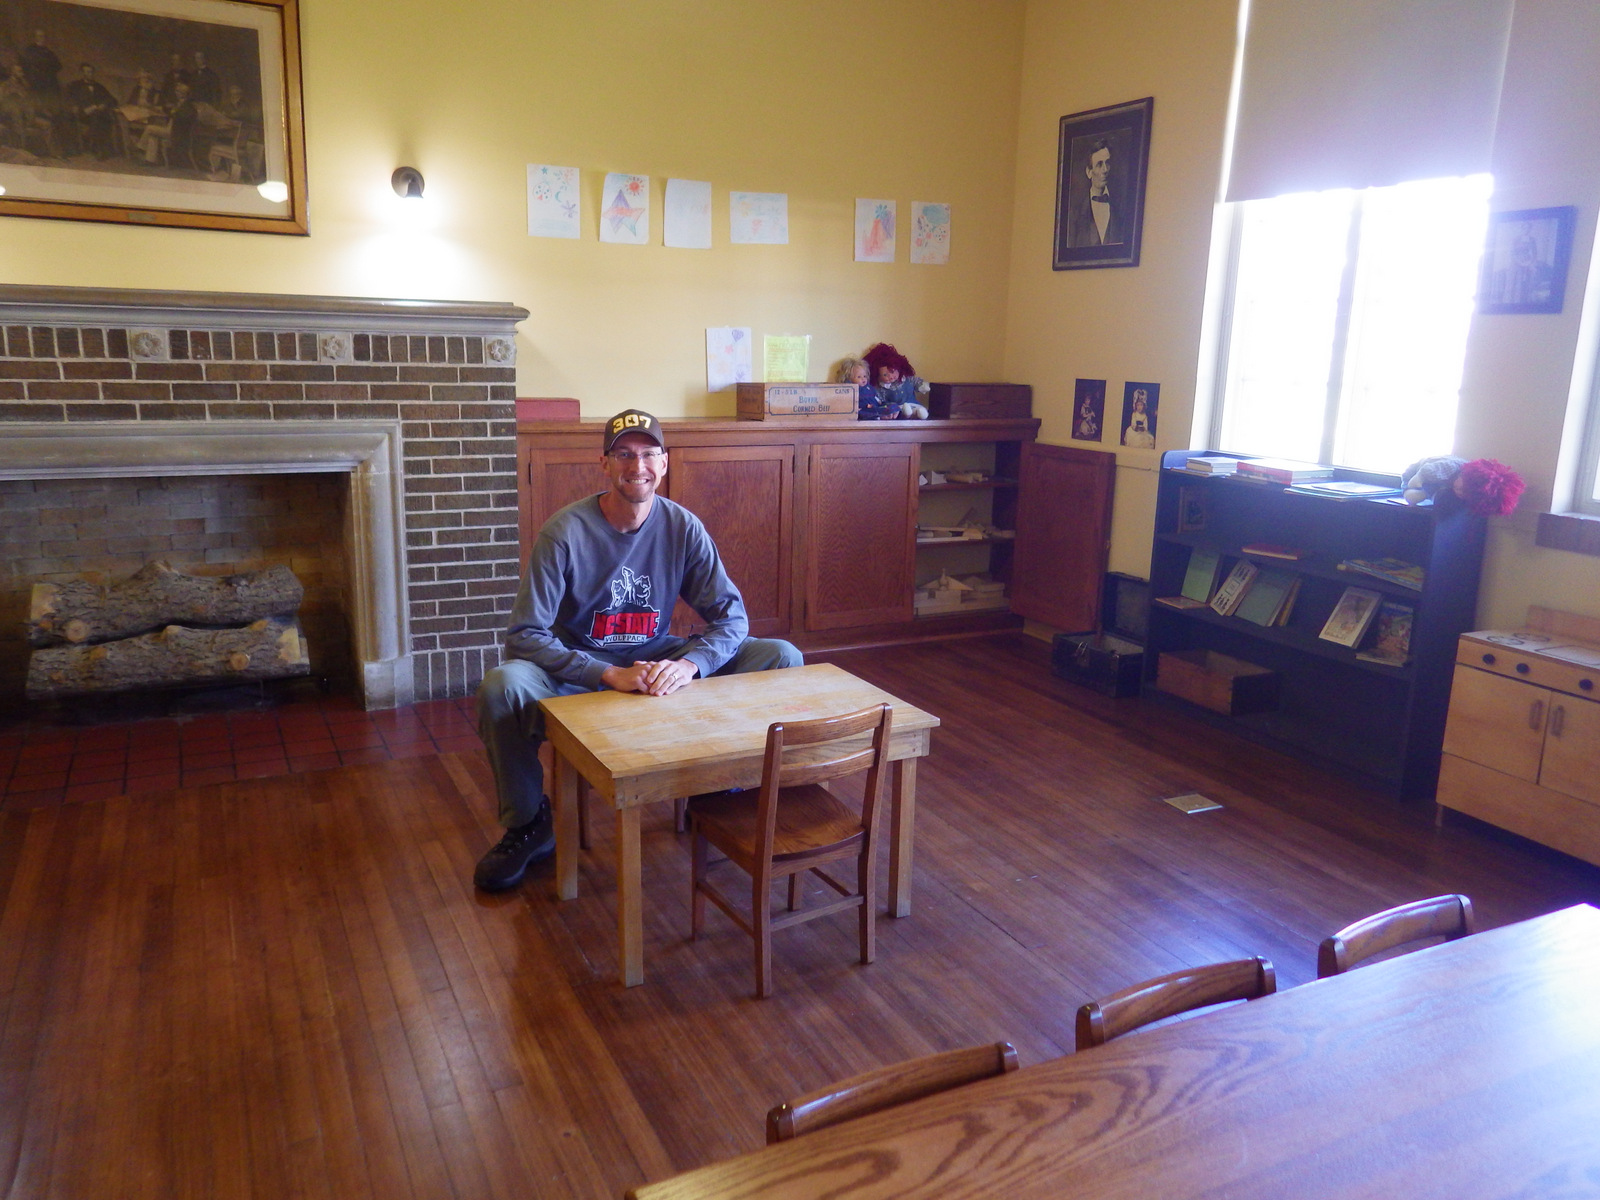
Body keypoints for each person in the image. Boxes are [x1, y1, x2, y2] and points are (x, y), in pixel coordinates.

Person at [473, 409, 804, 891]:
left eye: (649, 454)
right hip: (580, 664)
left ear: (664, 463)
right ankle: (528, 824)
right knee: (502, 686)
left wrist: (689, 664)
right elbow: (525, 635)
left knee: (781, 656)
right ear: (604, 464)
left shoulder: (682, 527)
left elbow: (732, 618)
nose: (638, 465)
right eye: (624, 455)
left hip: (657, 654)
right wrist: (605, 675)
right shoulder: (563, 533)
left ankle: (722, 792)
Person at [1066, 138, 1123, 248]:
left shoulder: (1121, 207)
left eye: (1108, 163)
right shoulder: (1075, 213)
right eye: (1099, 164)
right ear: (1089, 172)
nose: (1105, 169)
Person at [861, 342, 931, 419]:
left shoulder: (906, 379)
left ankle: (921, 413)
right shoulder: (881, 388)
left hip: (914, 404)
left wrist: (922, 386)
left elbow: (915, 381)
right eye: (885, 375)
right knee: (904, 412)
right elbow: (881, 401)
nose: (890, 377)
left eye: (892, 371)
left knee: (920, 411)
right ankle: (907, 414)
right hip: (899, 410)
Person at [63, 63, 118, 158]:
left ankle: (99, 149)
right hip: (81, 114)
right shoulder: (75, 85)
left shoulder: (99, 87)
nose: (90, 74)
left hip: (97, 114)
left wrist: (104, 104)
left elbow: (112, 99)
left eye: (91, 72)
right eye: (87, 72)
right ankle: (95, 148)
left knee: (100, 118)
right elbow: (68, 98)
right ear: (82, 73)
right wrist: (74, 106)